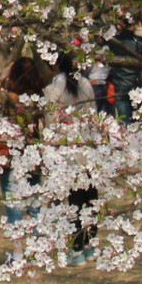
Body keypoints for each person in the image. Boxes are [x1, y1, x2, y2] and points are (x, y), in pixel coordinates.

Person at [0, 55, 56, 268]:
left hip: (11, 154)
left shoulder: (9, 97)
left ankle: (18, 255)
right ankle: (39, 249)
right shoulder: (38, 98)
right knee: (34, 201)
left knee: (13, 203)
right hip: (33, 153)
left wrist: (2, 77)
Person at [44, 53, 100, 265]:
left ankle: (77, 248)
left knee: (75, 200)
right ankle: (90, 245)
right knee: (91, 197)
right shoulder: (85, 84)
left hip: (67, 150)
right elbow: (93, 115)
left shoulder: (52, 90)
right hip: (87, 146)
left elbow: (51, 124)